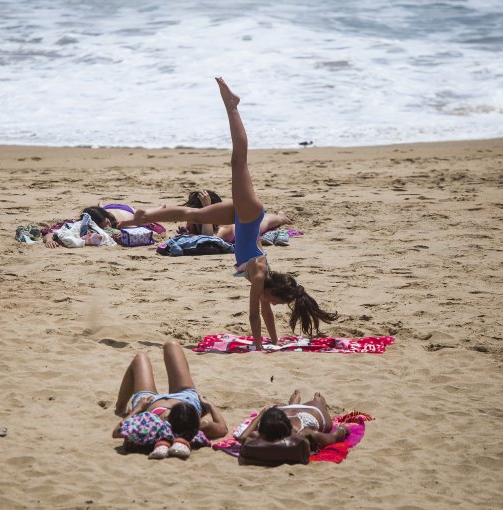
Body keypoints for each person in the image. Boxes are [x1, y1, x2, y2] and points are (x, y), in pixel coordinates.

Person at [120, 77, 337, 350]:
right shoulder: (259, 276)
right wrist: (259, 347)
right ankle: (233, 106)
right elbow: (253, 315)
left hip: (242, 218)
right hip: (248, 215)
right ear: (274, 291)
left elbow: (265, 311)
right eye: (278, 301)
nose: (273, 305)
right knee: (239, 160)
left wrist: (273, 340)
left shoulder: (264, 279)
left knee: (195, 215)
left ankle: (146, 215)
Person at [113, 341, 228, 459]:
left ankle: (120, 407)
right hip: (183, 399)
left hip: (157, 403)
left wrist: (138, 409)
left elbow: (118, 431)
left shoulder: (151, 426)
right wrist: (209, 405)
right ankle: (121, 407)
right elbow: (222, 429)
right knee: (170, 346)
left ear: (168, 417)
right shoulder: (199, 425)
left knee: (141, 357)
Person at [237, 390, 349, 450]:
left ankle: (294, 403)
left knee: (313, 407)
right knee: (317, 404)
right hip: (304, 414)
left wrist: (260, 415)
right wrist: (342, 429)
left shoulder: (262, 436)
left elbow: (242, 438)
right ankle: (312, 403)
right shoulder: (304, 435)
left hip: (294, 415)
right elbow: (333, 437)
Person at [180, 190, 291, 243]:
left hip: (245, 227)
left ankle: (281, 217)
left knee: (265, 222)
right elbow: (191, 231)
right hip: (237, 218)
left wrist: (206, 208)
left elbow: (207, 239)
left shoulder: (223, 229)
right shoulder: (195, 219)